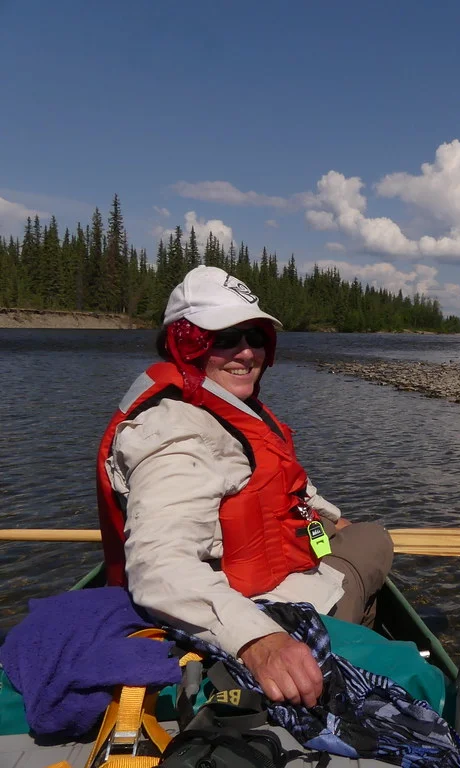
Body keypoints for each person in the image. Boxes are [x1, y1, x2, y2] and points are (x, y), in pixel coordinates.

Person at [96, 265, 393, 709]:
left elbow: (292, 485)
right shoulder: (177, 435)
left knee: (349, 532)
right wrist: (260, 641)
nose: (246, 353)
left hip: (267, 574)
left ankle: (351, 627)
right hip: (256, 607)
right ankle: (356, 640)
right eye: (224, 338)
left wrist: (330, 518)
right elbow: (160, 568)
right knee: (374, 540)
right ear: (185, 344)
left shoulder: (233, 409)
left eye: (256, 338)